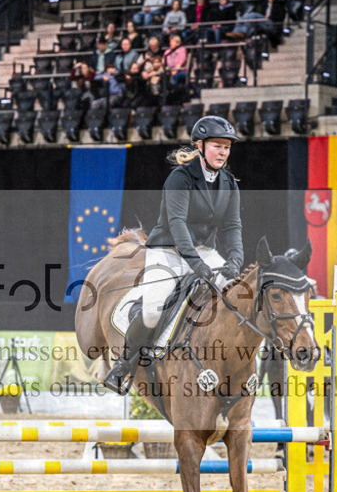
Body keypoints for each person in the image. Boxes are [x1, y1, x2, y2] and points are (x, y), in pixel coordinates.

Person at [102, 116, 243, 393]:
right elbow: (177, 223)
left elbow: (233, 225)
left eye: (227, 147)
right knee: (154, 310)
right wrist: (195, 263)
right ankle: (124, 365)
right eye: (217, 146)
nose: (223, 152)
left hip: (204, 251)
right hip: (167, 250)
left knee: (236, 298)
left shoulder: (228, 182)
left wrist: (236, 259)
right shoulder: (180, 178)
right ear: (201, 146)